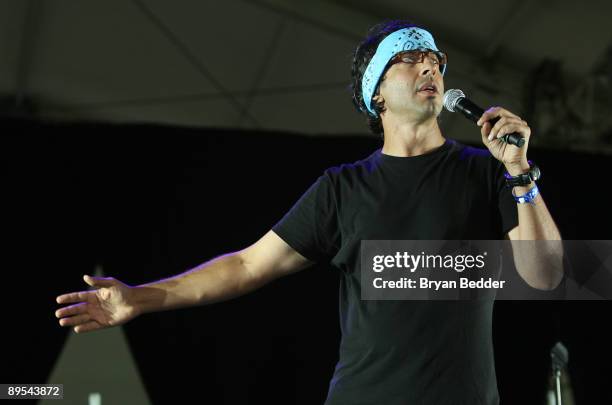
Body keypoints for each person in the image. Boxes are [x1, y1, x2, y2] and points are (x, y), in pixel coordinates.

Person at [55, 20, 563, 404]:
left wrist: (519, 172)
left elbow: (546, 276)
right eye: (409, 58)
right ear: (376, 93)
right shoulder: (341, 190)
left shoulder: (487, 172)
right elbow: (247, 265)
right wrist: (139, 299)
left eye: (435, 58)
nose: (430, 66)